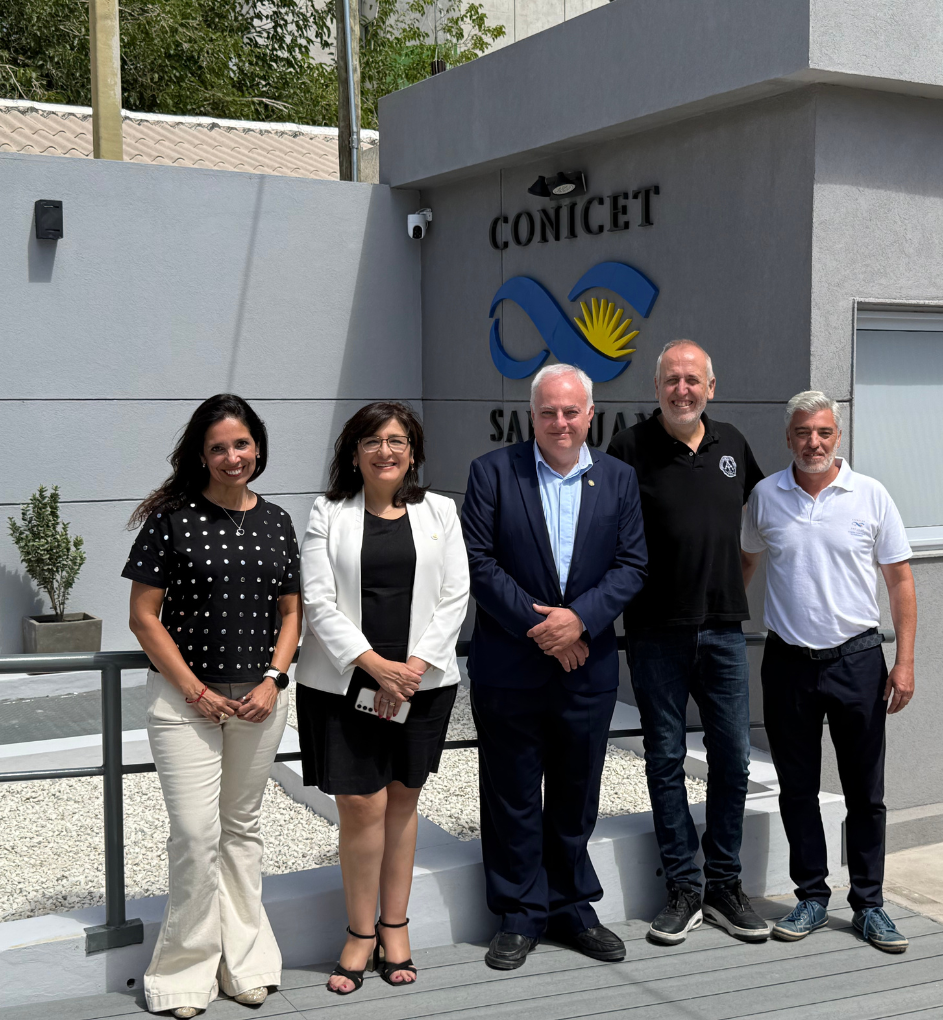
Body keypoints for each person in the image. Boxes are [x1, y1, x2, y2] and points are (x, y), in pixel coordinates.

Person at [461, 363, 648, 971]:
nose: (560, 423)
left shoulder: (619, 479)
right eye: (549, 412)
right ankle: (519, 914)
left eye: (571, 412)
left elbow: (632, 565)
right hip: (510, 668)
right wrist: (545, 630)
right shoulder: (492, 472)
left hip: (585, 669)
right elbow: (478, 562)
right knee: (510, 793)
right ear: (532, 416)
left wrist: (580, 622)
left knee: (576, 793)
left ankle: (570, 906)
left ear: (590, 414)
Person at [124, 394, 301, 1019]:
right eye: (219, 447)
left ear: (258, 447)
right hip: (184, 704)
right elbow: (144, 617)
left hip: (260, 702)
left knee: (242, 832)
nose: (233, 456)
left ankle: (246, 964)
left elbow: (290, 612)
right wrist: (197, 691)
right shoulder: (173, 519)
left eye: (242, 444)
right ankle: (181, 976)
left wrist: (274, 679)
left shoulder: (277, 521)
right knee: (196, 836)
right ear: (201, 454)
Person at [295, 401, 469, 995]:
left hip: (421, 684)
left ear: (413, 451)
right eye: (371, 440)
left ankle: (395, 926)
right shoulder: (326, 512)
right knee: (361, 806)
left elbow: (455, 594)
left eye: (396, 440)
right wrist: (374, 667)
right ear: (354, 452)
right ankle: (360, 932)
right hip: (347, 681)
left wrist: (412, 668)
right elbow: (317, 601)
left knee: (402, 800)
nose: (385, 450)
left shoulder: (441, 511)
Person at [741, 390, 917, 954]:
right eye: (801, 434)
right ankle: (812, 895)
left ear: (837, 437)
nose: (812, 443)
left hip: (858, 660)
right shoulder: (766, 496)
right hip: (788, 662)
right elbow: (743, 563)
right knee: (796, 788)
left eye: (822, 432)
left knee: (866, 791)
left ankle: (869, 904)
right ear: (788, 438)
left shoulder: (871, 496)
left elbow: (900, 581)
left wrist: (905, 661)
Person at [606, 339, 769, 946]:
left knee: (733, 759)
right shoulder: (627, 449)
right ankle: (684, 886)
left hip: (725, 630)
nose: (682, 389)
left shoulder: (733, 444)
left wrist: (728, 586)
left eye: (692, 379)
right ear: (657, 389)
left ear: (711, 386)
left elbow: (756, 528)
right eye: (672, 379)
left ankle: (725, 884)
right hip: (654, 634)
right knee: (665, 760)